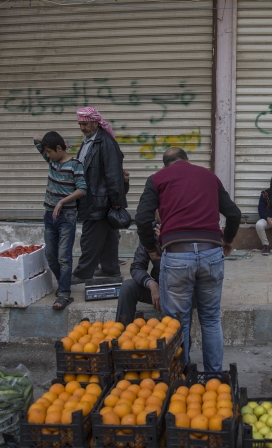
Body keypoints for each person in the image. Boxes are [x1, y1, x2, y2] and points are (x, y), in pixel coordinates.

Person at [135, 147, 241, 372]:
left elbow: (143, 219)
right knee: (211, 318)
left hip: (176, 255)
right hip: (212, 252)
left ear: (165, 165)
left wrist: (152, 250)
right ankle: (214, 377)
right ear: (187, 160)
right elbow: (233, 213)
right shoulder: (209, 176)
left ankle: (181, 376)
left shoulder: (157, 179)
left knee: (176, 322)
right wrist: (228, 240)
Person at [71, 107, 127, 283]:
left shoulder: (106, 143)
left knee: (90, 238)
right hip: (94, 198)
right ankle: (111, 270)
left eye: (85, 124)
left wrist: (116, 200)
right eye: (80, 124)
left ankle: (82, 273)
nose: (82, 128)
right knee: (109, 238)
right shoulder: (89, 140)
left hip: (99, 200)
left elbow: (113, 174)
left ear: (95, 122)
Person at [33, 131, 87, 310]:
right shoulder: (52, 161)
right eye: (46, 152)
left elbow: (82, 189)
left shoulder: (75, 165)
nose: (47, 155)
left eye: (49, 151)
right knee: (51, 255)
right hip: (49, 215)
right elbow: (36, 138)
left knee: (64, 256)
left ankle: (64, 293)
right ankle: (64, 281)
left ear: (58, 149)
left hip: (67, 216)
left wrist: (62, 201)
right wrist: (60, 141)